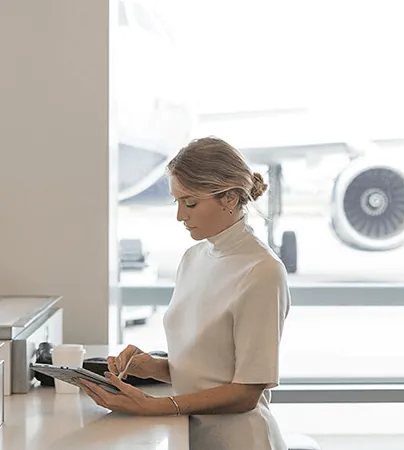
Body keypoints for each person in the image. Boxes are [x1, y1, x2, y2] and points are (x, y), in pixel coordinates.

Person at [77, 136, 291, 450]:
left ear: (229, 198)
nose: (180, 215)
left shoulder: (262, 271)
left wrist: (152, 406)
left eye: (190, 202)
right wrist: (151, 367)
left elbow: (247, 392)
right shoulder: (194, 258)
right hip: (191, 435)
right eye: (177, 202)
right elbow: (209, 372)